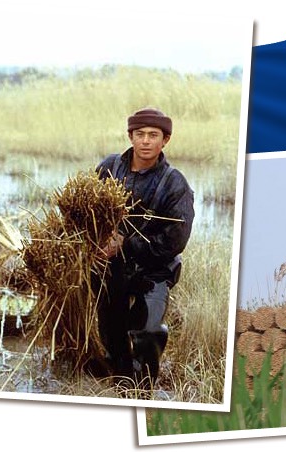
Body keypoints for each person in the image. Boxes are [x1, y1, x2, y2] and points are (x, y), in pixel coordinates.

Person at [94, 107, 195, 387]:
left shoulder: (175, 184)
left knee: (148, 333)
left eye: (154, 135)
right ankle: (121, 380)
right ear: (130, 136)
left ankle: (143, 390)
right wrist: (100, 241)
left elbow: (176, 240)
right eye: (140, 134)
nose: (146, 141)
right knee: (111, 332)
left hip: (154, 271)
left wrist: (127, 243)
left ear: (166, 140)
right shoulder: (109, 168)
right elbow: (86, 211)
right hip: (110, 267)